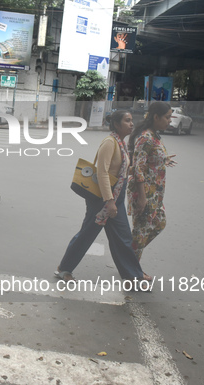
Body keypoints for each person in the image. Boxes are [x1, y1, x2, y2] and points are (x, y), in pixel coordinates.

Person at [55, 110, 152, 284]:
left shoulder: (120, 143)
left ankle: (133, 275)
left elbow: (120, 171)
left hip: (116, 198)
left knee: (123, 238)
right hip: (103, 199)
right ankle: (64, 269)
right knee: (87, 234)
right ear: (116, 124)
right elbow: (102, 173)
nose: (131, 124)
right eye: (127, 120)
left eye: (132, 120)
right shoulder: (109, 142)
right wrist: (109, 201)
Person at [127, 101, 177, 261]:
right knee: (140, 232)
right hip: (145, 193)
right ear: (156, 117)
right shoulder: (145, 137)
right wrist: (142, 198)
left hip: (155, 193)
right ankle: (131, 268)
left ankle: (127, 258)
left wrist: (164, 159)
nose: (170, 120)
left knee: (159, 223)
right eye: (167, 117)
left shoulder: (154, 135)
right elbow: (138, 168)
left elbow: (150, 158)